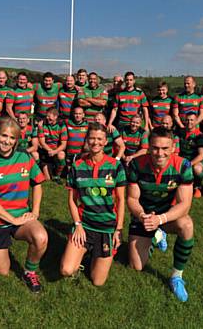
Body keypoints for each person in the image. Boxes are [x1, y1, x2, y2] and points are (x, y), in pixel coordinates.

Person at [0, 117, 48, 293]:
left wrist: (35, 212)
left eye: (11, 138)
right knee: (3, 273)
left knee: (41, 237)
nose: (6, 141)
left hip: (21, 216)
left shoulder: (24, 156)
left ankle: (29, 272)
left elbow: (38, 183)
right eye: (4, 135)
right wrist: (12, 220)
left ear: (16, 140)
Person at [127, 127, 195, 302]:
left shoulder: (183, 165)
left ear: (172, 147)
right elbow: (132, 199)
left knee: (186, 224)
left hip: (166, 217)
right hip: (143, 217)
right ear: (148, 147)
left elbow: (184, 205)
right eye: (155, 148)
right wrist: (142, 216)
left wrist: (160, 219)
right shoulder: (136, 164)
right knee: (136, 267)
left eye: (165, 148)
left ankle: (176, 277)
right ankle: (153, 237)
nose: (160, 153)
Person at [60, 122, 126, 286]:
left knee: (97, 281)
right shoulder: (77, 166)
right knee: (67, 270)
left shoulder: (115, 166)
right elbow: (71, 200)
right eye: (92, 138)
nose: (95, 142)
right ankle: (85, 250)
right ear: (86, 140)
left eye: (99, 139)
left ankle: (96, 253)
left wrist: (118, 229)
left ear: (105, 141)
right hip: (85, 225)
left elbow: (121, 200)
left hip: (106, 227)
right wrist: (78, 224)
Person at [179, 113, 203, 198]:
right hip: (182, 159)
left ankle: (197, 187)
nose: (189, 122)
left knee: (197, 169)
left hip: (194, 160)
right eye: (187, 120)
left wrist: (189, 164)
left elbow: (202, 155)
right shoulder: (180, 132)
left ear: (196, 121)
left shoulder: (199, 135)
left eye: (191, 120)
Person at [37, 107, 67, 180]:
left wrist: (54, 152)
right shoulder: (42, 125)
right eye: (46, 116)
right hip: (45, 151)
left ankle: (57, 175)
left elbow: (64, 144)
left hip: (56, 151)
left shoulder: (61, 126)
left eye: (49, 116)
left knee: (61, 155)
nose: (47, 118)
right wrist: (50, 150)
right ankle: (41, 171)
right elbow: (42, 142)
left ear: (55, 117)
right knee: (47, 179)